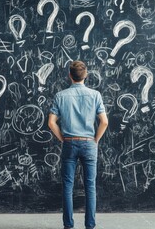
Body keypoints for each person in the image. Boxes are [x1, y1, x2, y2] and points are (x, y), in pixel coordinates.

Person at [48, 60, 108, 229]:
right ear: (86, 75)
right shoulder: (95, 95)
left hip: (69, 143)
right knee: (90, 186)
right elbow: (104, 122)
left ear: (70, 76)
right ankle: (90, 225)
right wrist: (95, 140)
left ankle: (68, 225)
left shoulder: (61, 96)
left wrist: (62, 138)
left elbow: (51, 123)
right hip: (89, 143)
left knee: (68, 186)